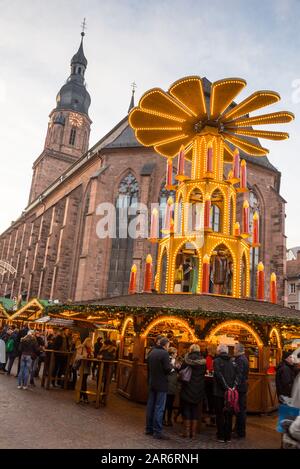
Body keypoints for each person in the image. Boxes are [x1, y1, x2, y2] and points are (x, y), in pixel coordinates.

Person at [145, 337, 172, 440]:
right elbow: (167, 369)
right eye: (168, 345)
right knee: (159, 407)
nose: (168, 347)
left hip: (152, 382)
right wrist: (172, 368)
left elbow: (148, 367)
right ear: (165, 345)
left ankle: (149, 428)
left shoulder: (152, 352)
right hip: (161, 384)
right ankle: (157, 431)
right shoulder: (164, 354)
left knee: (150, 406)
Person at [213, 343, 239, 443]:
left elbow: (218, 375)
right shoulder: (233, 362)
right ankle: (228, 437)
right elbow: (238, 375)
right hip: (231, 393)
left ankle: (220, 435)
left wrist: (226, 387)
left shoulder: (216, 361)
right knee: (229, 414)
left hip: (219, 392)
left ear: (219, 351)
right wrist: (232, 387)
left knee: (219, 414)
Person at [179, 344, 206, 439]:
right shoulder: (203, 361)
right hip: (198, 388)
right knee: (195, 409)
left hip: (187, 386)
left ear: (191, 350)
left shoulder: (187, 359)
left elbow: (181, 371)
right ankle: (193, 433)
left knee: (186, 408)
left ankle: (186, 432)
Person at [233, 343, 249, 439]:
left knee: (240, 410)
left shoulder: (240, 360)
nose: (233, 351)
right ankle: (238, 430)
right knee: (241, 409)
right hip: (243, 387)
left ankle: (240, 432)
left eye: (234, 349)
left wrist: (234, 386)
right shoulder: (244, 358)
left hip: (240, 388)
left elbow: (239, 374)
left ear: (238, 350)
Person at [163, 347, 178, 427]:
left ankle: (167, 419)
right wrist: (175, 367)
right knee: (167, 404)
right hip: (169, 383)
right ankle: (165, 420)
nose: (176, 354)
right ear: (172, 354)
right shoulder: (169, 360)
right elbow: (169, 369)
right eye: (176, 353)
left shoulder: (173, 361)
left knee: (168, 404)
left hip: (171, 384)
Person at [75, 337, 93, 403]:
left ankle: (81, 397)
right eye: (89, 342)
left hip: (87, 366)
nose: (90, 343)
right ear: (86, 342)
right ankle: (84, 397)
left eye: (90, 342)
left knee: (84, 381)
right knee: (83, 381)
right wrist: (83, 356)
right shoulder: (81, 347)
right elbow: (77, 357)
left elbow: (91, 356)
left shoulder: (90, 349)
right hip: (82, 367)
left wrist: (91, 355)